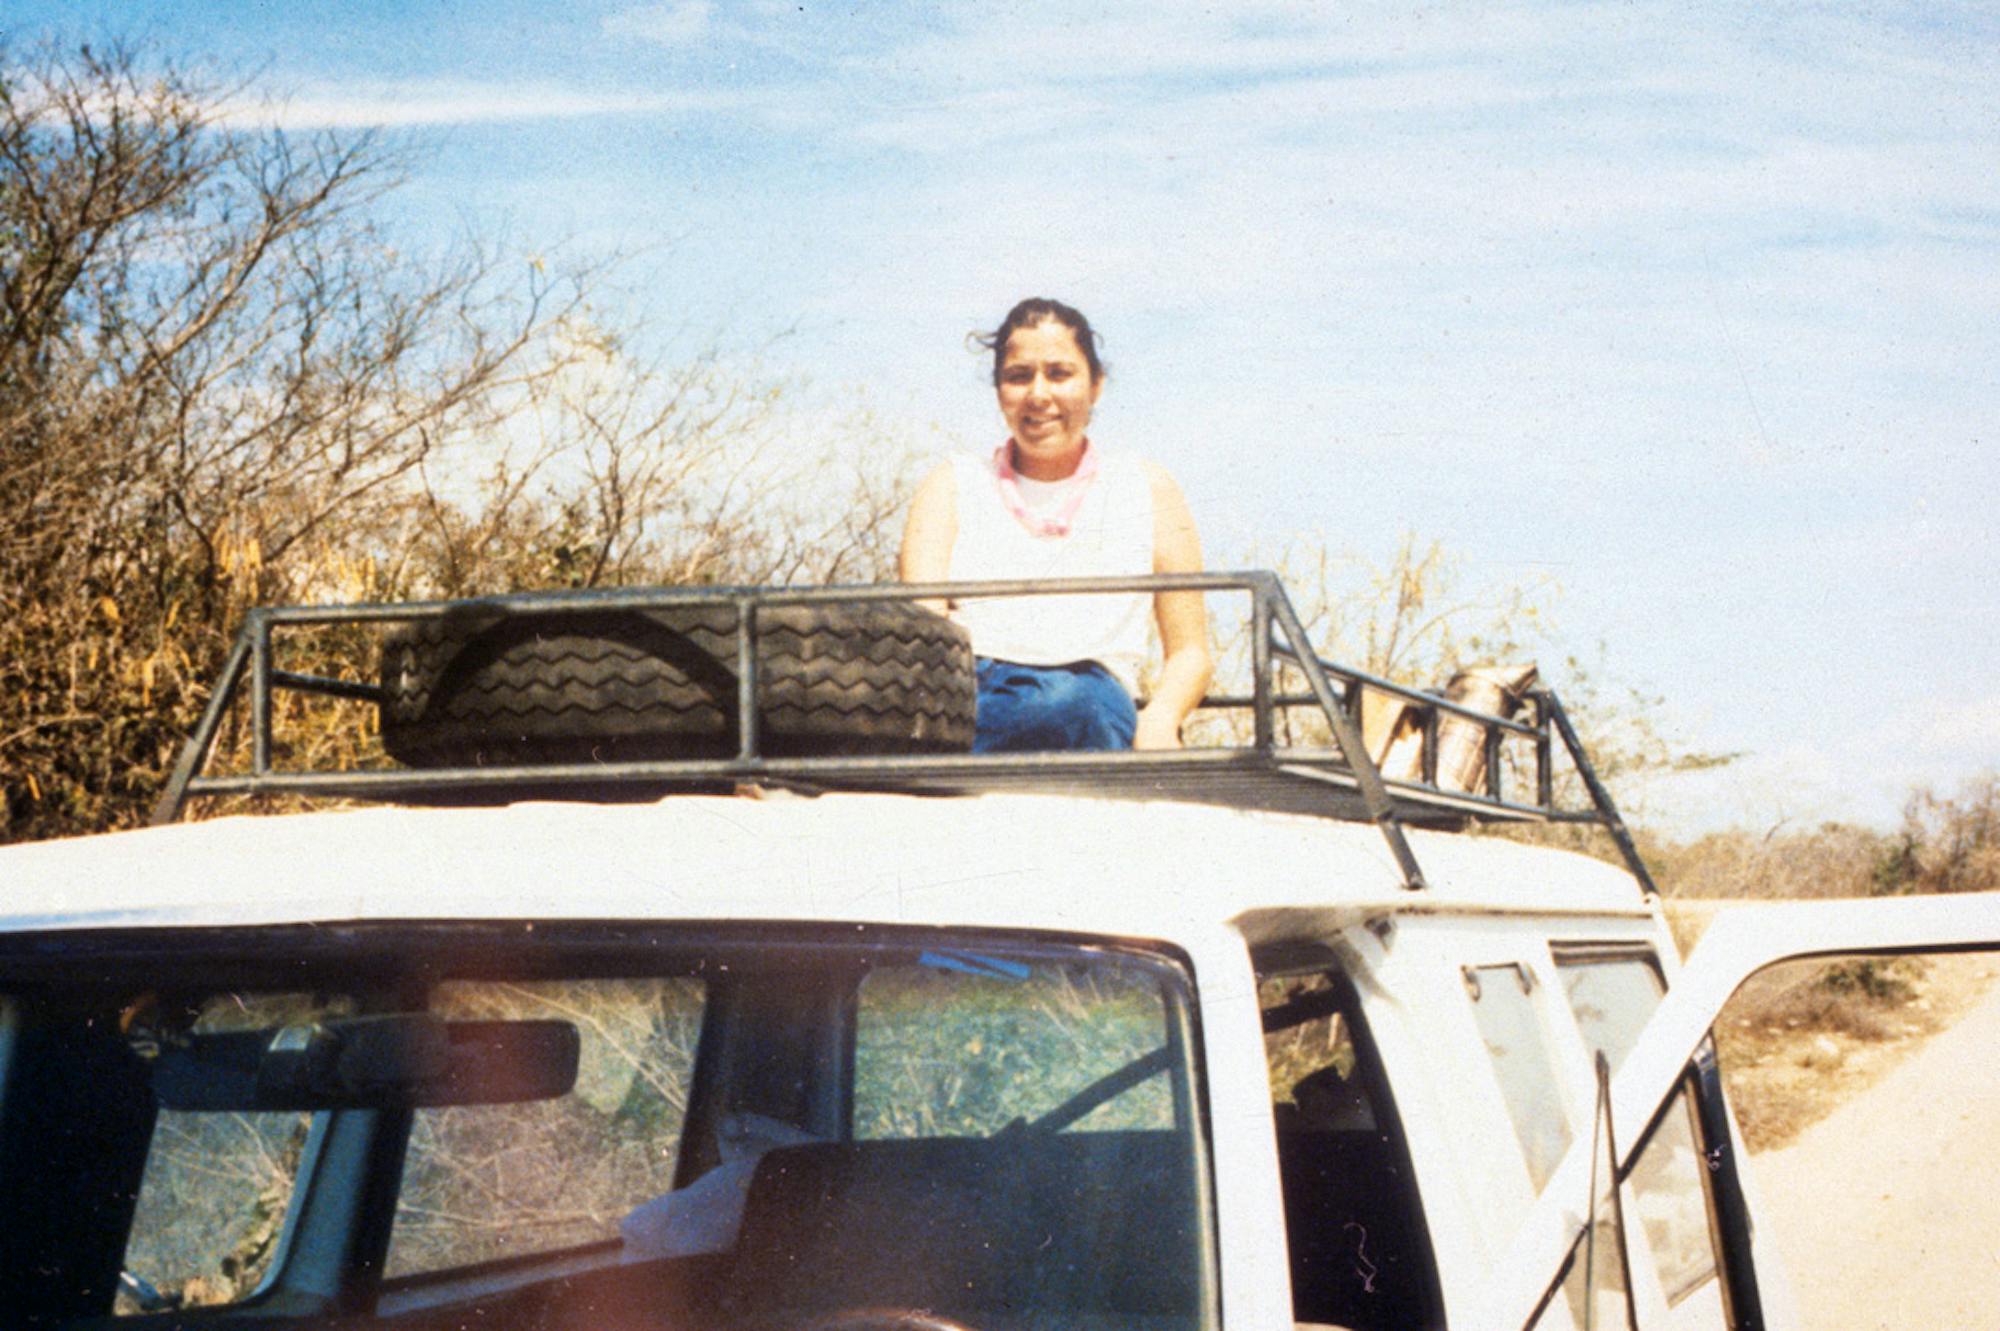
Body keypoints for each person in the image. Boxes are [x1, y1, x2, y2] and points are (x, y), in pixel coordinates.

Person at [899, 297, 1213, 752]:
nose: (1039, 395)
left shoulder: (1146, 486)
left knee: (1071, 702)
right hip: (971, 690)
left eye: (1059, 374)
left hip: (1090, 696)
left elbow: (1191, 652)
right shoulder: (951, 483)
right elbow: (924, 632)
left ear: (1096, 385)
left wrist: (1160, 718)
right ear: (998, 389)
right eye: (1019, 376)